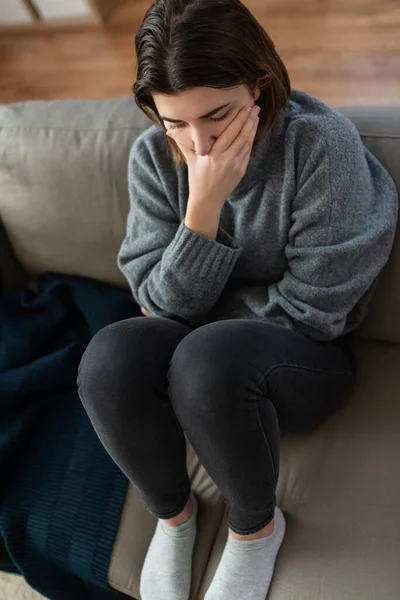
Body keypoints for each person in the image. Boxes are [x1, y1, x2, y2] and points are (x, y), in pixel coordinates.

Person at [77, 0, 399, 599]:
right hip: (199, 363)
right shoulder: (155, 156)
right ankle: (173, 518)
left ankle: (255, 527)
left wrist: (193, 328)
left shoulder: (320, 148)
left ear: (260, 81)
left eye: (218, 115)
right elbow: (153, 300)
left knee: (207, 358)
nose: (199, 143)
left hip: (305, 361)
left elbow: (316, 310)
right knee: (110, 356)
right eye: (175, 122)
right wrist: (202, 210)